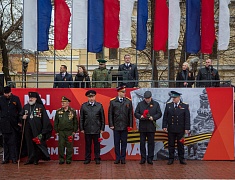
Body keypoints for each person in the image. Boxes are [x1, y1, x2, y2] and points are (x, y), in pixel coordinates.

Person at [20, 92, 52, 165]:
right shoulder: (26, 107)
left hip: (37, 129)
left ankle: (36, 159)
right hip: (28, 129)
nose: (30, 99)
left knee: (37, 144)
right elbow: (20, 115)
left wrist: (44, 130)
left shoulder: (40, 107)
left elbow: (45, 119)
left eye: (32, 98)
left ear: (36, 99)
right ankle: (30, 158)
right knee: (29, 144)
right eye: (30, 98)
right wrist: (22, 117)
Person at [162, 91, 190, 165]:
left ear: (179, 97)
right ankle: (171, 159)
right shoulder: (169, 105)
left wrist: (187, 128)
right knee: (171, 144)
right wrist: (164, 126)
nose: (173, 99)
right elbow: (165, 116)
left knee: (180, 144)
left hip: (180, 129)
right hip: (171, 128)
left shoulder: (184, 106)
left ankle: (181, 159)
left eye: (174, 98)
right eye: (172, 98)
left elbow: (187, 118)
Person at [134, 91, 162, 165]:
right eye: (146, 98)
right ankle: (143, 158)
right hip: (143, 126)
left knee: (151, 143)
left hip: (151, 126)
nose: (147, 100)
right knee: (142, 143)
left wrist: (154, 117)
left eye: (148, 98)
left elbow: (159, 113)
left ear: (151, 97)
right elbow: (136, 113)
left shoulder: (156, 104)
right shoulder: (140, 104)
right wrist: (140, 116)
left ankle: (150, 158)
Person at [108, 86, 133, 164]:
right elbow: (110, 114)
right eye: (122, 92)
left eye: (125, 92)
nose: (124, 93)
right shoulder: (113, 102)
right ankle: (117, 158)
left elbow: (130, 115)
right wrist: (111, 124)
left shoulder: (128, 101)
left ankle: (123, 158)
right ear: (118, 92)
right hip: (116, 125)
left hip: (125, 125)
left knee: (124, 143)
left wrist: (130, 125)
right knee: (116, 143)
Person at [80, 90, 105, 164]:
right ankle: (87, 158)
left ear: (95, 96)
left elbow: (102, 118)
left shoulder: (99, 105)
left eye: (93, 96)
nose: (91, 98)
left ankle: (97, 158)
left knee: (97, 145)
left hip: (96, 129)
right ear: (87, 97)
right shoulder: (84, 106)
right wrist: (81, 128)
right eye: (90, 97)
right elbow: (81, 118)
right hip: (87, 128)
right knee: (88, 145)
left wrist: (102, 128)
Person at [0, 86, 22, 164]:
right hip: (4, 124)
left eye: (7, 93)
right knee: (5, 142)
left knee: (13, 142)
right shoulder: (1, 99)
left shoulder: (16, 99)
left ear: (10, 92)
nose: (6, 95)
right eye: (5, 94)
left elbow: (20, 110)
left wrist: (19, 121)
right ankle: (6, 158)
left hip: (13, 124)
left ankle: (14, 158)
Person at [54, 96, 78, 165]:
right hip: (61, 132)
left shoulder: (72, 111)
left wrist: (74, 131)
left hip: (69, 131)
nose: (62, 104)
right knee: (61, 146)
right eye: (62, 102)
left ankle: (68, 159)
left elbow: (75, 122)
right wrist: (57, 131)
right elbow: (56, 122)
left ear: (68, 103)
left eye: (64, 102)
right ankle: (61, 159)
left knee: (69, 146)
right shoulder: (58, 111)